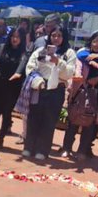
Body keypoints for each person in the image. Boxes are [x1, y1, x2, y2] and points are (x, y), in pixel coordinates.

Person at [62, 29, 98, 161]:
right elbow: (77, 68)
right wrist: (80, 77)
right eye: (95, 41)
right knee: (72, 121)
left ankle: (82, 150)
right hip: (80, 92)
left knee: (90, 124)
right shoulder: (84, 54)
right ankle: (67, 148)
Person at [22, 24, 76, 160]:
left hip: (56, 90)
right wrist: (37, 80)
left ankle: (43, 150)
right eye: (53, 35)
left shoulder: (69, 53)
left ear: (64, 37)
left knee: (49, 120)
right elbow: (30, 67)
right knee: (33, 118)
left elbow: (69, 73)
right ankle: (29, 147)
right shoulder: (40, 50)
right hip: (39, 87)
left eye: (59, 36)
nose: (56, 38)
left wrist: (58, 61)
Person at [0, 25, 27, 150]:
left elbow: (22, 65)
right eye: (13, 36)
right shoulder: (2, 48)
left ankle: (1, 138)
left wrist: (17, 74)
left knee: (6, 114)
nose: (15, 39)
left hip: (13, 87)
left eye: (18, 37)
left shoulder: (24, 53)